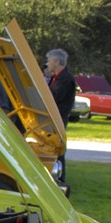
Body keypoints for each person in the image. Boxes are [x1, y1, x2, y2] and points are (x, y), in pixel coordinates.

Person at [44, 49, 76, 182]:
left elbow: (54, 97)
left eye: (50, 61)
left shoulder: (66, 79)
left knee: (57, 146)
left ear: (57, 62)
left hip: (58, 118)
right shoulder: (55, 77)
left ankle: (60, 177)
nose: (48, 64)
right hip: (52, 117)